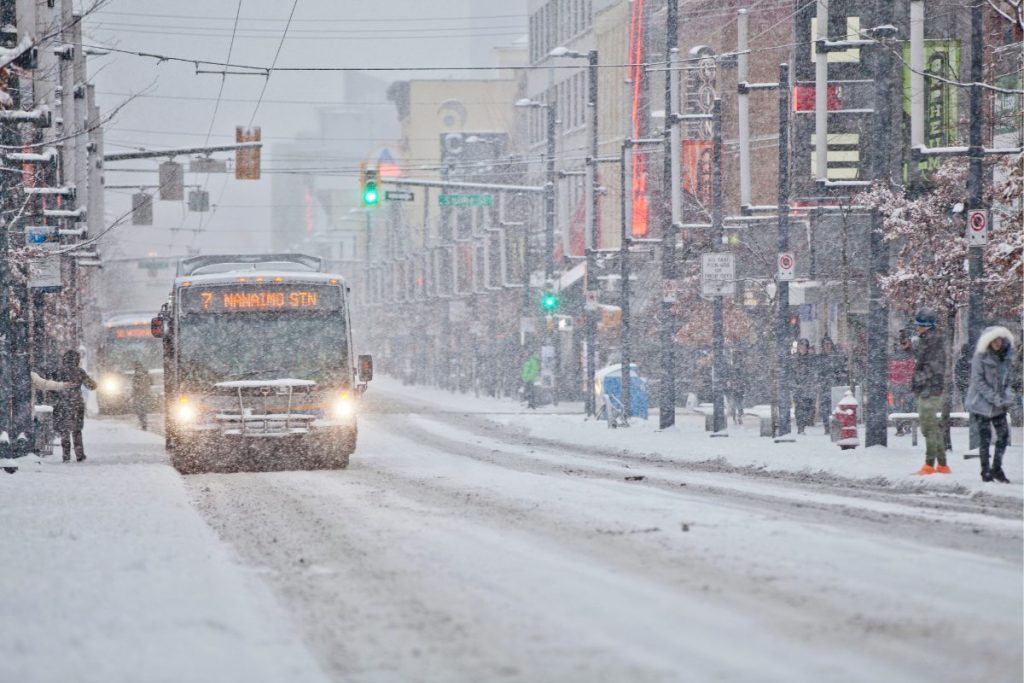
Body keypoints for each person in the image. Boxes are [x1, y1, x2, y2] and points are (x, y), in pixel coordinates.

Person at [965, 326, 1016, 483]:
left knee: (1003, 436)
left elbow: (1009, 380)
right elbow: (978, 381)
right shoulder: (980, 357)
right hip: (981, 404)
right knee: (985, 438)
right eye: (993, 340)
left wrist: (1007, 397)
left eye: (999, 339)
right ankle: (985, 470)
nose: (997, 343)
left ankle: (996, 468)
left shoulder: (1006, 357)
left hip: (999, 405)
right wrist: (994, 397)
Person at [910, 307, 947, 475]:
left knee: (928, 427)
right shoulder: (931, 341)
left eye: (920, 325)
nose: (917, 329)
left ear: (927, 326)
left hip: (929, 390)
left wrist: (921, 384)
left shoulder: (932, 343)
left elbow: (930, 367)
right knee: (932, 426)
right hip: (931, 388)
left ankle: (929, 464)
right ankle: (942, 464)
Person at [54, 350, 97, 463]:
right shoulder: (80, 372)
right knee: (76, 430)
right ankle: (79, 455)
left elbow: (52, 387)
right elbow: (92, 386)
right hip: (76, 404)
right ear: (77, 360)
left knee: (64, 430)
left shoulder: (59, 372)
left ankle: (66, 456)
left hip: (62, 404)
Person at [816, 336, 848, 434]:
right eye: (825, 344)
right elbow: (817, 372)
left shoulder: (837, 357)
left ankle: (835, 426)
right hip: (824, 386)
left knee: (835, 407)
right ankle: (827, 426)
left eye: (829, 344)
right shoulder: (820, 358)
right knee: (825, 408)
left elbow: (842, 371)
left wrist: (838, 378)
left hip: (835, 387)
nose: (827, 346)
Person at [888, 330, 916, 436]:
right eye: (901, 343)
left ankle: (905, 426)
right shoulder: (909, 355)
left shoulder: (910, 354)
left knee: (906, 407)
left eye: (904, 343)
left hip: (904, 384)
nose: (902, 345)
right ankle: (901, 427)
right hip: (899, 384)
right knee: (899, 407)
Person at [791, 338, 817, 434]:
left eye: (804, 346)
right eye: (800, 346)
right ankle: (800, 426)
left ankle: (806, 421)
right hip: (798, 388)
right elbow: (792, 372)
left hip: (808, 388)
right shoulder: (794, 358)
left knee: (808, 407)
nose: (802, 348)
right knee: (799, 408)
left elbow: (814, 372)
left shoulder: (811, 359)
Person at [130, 360, 151, 431]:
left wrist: (131, 395)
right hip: (142, 395)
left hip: (140, 395)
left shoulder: (138, 374)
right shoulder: (144, 373)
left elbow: (136, 387)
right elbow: (150, 383)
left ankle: (144, 425)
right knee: (142, 410)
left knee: (140, 410)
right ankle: (144, 424)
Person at [954, 343, 972, 410]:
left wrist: (960, 385)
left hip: (964, 386)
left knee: (966, 404)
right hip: (970, 387)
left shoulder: (960, 361)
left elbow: (957, 374)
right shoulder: (973, 361)